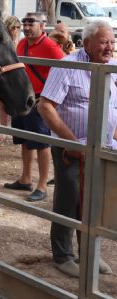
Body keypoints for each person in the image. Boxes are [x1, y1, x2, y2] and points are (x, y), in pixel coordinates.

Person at [38, 20, 117, 277]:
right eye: (104, 42)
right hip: (72, 148)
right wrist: (71, 142)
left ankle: (89, 255)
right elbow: (45, 106)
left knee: (95, 203)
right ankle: (63, 256)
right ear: (87, 43)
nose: (110, 47)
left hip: (104, 148)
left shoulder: (112, 68)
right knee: (69, 199)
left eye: (112, 42)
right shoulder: (69, 65)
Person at [4, 12, 64, 202]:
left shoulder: (50, 47)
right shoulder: (22, 44)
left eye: (32, 23)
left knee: (41, 143)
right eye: (25, 23)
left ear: (42, 25)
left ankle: (42, 185)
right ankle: (26, 178)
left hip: (39, 101)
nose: (27, 27)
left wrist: (50, 97)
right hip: (22, 99)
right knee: (24, 140)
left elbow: (66, 69)